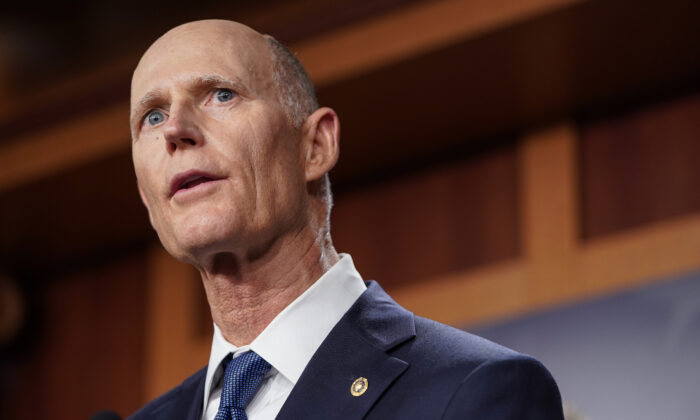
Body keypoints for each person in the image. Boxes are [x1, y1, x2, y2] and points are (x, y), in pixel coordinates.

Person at [127, 19, 564, 420]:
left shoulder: (476, 391)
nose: (175, 129)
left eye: (222, 94)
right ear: (148, 197)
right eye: (153, 116)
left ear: (315, 146)